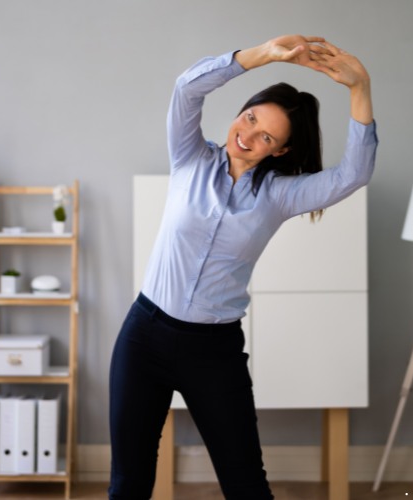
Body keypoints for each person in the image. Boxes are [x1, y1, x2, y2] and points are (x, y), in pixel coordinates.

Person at [109, 34, 378, 499]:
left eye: (266, 136)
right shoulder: (190, 158)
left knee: (247, 487)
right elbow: (186, 89)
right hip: (144, 337)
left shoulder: (280, 196)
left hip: (212, 353)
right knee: (128, 483)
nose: (247, 136)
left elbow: (352, 175)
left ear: (280, 152)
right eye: (249, 118)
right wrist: (260, 56)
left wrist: (360, 88)